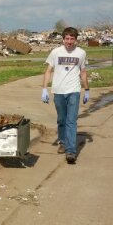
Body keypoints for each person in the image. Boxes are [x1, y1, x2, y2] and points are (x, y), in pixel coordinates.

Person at [41, 26, 89, 164]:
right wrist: (44, 88)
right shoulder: (55, 52)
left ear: (75, 40)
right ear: (63, 39)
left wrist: (87, 89)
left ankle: (71, 151)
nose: (69, 41)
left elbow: (83, 72)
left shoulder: (81, 53)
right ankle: (62, 142)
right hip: (58, 91)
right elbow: (48, 70)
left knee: (71, 121)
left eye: (72, 39)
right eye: (67, 38)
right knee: (61, 119)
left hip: (73, 90)